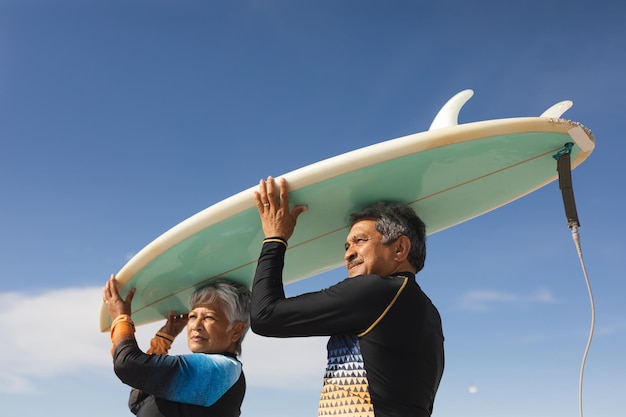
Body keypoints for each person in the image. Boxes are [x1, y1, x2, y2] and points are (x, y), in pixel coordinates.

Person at [250, 176, 444, 417]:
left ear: (400, 249)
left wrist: (274, 239)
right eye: (346, 247)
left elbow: (265, 315)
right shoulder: (428, 312)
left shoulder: (377, 291)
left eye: (359, 241)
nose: (348, 254)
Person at [103, 275, 251, 417]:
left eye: (209, 317)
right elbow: (138, 401)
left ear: (236, 330)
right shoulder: (210, 375)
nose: (196, 326)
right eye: (193, 316)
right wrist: (163, 341)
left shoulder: (221, 369)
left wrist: (120, 319)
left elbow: (127, 366)